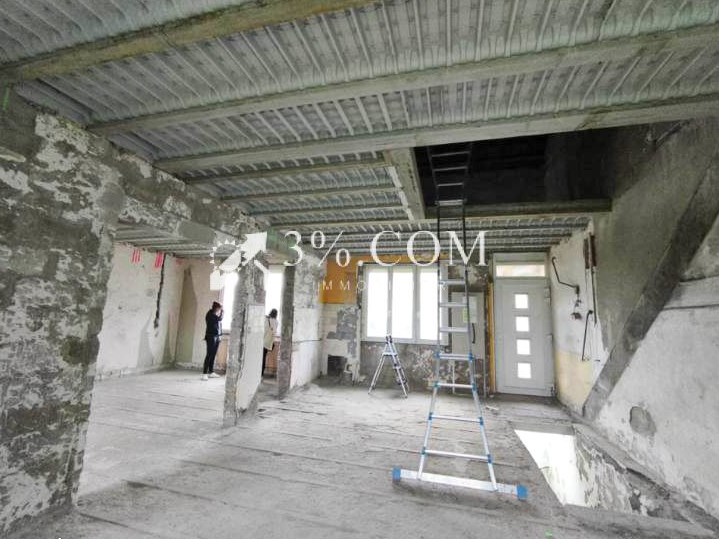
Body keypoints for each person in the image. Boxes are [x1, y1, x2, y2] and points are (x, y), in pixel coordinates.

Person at [202, 301, 223, 381]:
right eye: (219, 309)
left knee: (213, 355)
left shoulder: (214, 314)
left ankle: (211, 372)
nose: (219, 310)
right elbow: (220, 319)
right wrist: (222, 312)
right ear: (216, 308)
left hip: (216, 337)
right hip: (211, 337)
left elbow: (218, 323)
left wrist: (219, 336)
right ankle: (204, 374)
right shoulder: (210, 314)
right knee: (209, 355)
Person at [262, 309, 278, 378]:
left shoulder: (265, 319)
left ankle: (257, 372)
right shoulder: (276, 322)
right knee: (263, 358)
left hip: (261, 341)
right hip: (267, 343)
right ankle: (261, 374)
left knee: (259, 358)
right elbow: (274, 333)